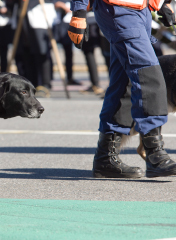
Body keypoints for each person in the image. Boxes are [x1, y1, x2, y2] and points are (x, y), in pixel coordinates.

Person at [68, 0, 176, 178]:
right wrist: (79, 11)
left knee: (123, 82)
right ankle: (155, 154)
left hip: (142, 9)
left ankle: (106, 158)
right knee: (148, 74)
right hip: (117, 9)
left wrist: (162, 2)